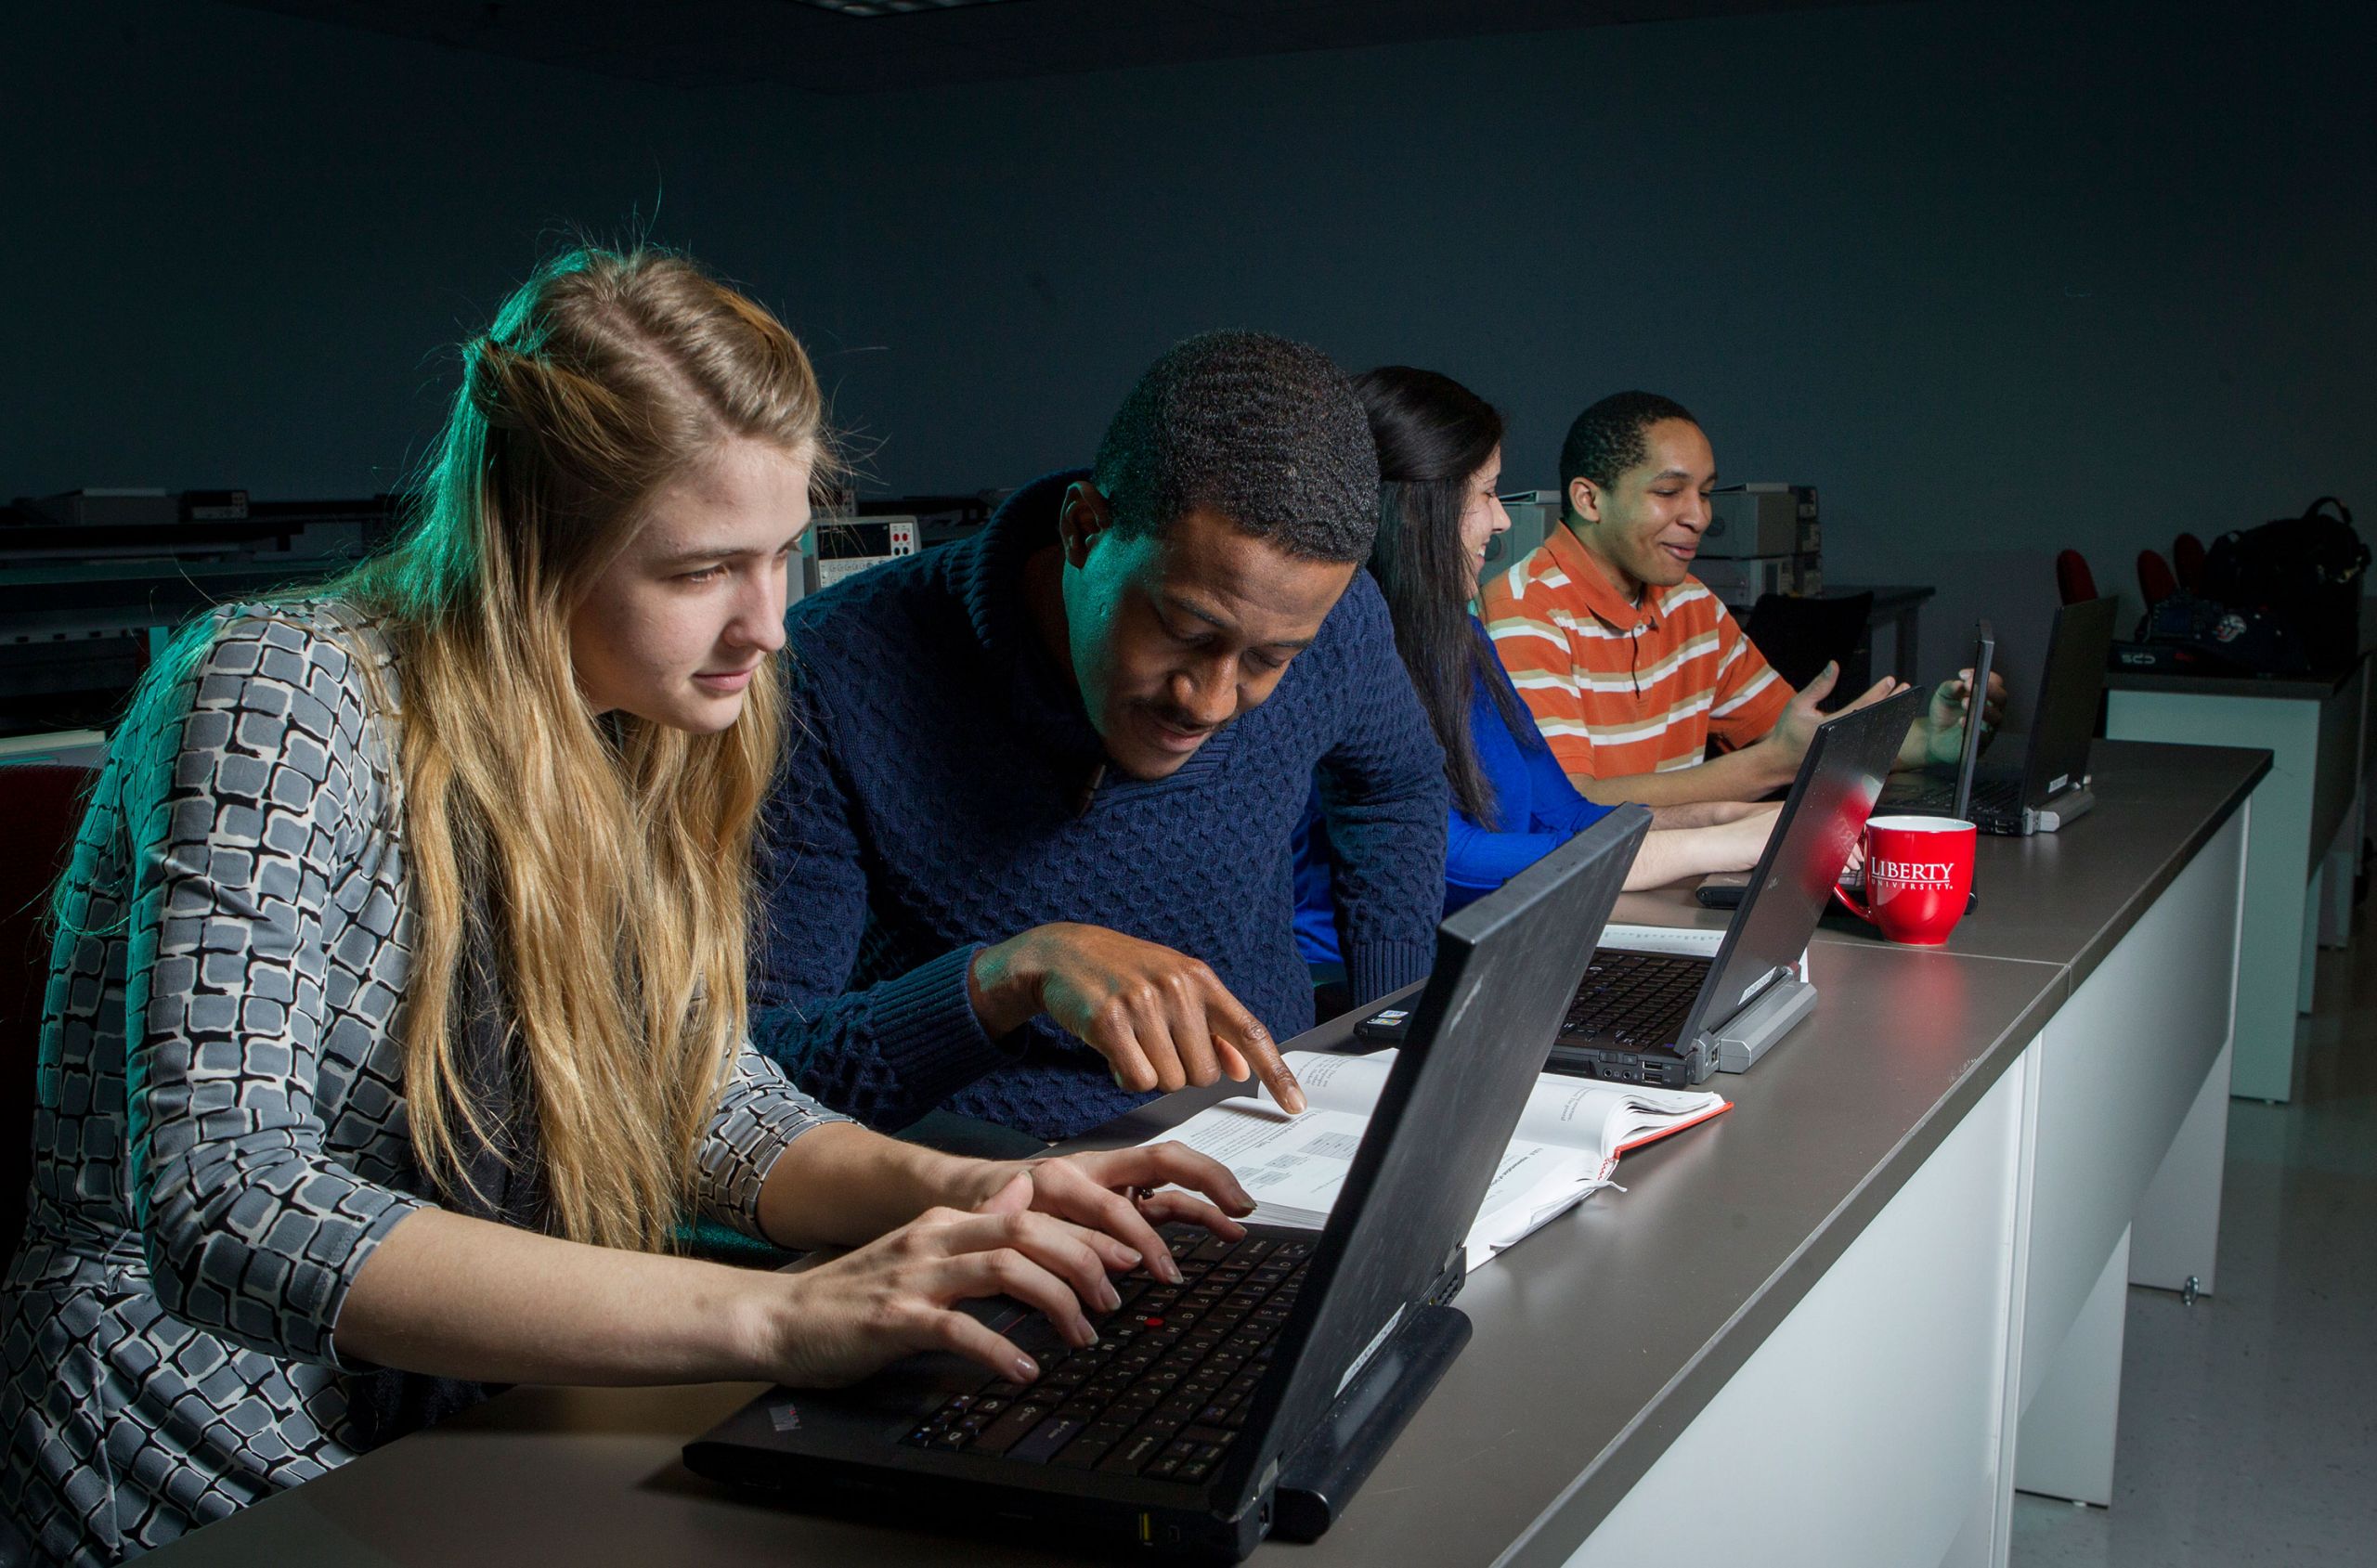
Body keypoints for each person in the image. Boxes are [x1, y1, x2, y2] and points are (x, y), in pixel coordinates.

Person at [0, 249, 1250, 1568]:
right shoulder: (277, 690)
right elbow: (232, 1207)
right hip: (183, 1421)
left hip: (470, 1404)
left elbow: (702, 1104)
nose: (768, 625)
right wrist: (781, 1320)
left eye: (783, 556)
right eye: (703, 569)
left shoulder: (647, 727)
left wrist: (977, 1193)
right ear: (531, 545)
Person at [752, 331, 1448, 1145]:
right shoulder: (830, 676)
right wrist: (1007, 977)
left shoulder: (1338, 619)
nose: (1211, 699)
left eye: (1269, 659)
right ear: (1084, 529)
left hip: (1270, 1138)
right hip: (994, 1180)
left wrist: (1390, 1029)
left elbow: (1394, 786)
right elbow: (762, 1077)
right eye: (1186, 630)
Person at [1292, 368, 1780, 964]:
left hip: (1485, 953)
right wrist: (1719, 847)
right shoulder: (1336, 657)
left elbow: (1568, 813)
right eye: (1488, 494)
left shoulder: (1461, 637)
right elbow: (1447, 861)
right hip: (1356, 998)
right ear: (1421, 508)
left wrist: (1720, 818)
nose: (1502, 521)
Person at [1478, 391, 2000, 806]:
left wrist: (1928, 741)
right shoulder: (1523, 612)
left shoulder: (1691, 604)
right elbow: (1571, 805)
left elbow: (1799, 741)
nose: (1699, 516)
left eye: (1704, 492)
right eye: (1668, 492)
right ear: (1589, 500)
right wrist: (1771, 764)